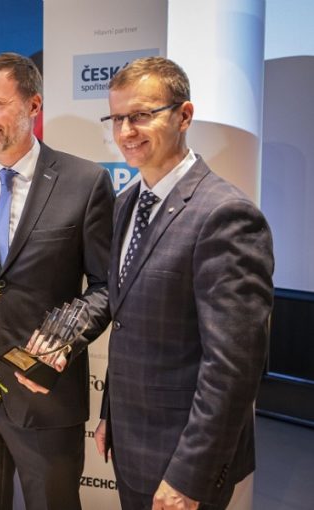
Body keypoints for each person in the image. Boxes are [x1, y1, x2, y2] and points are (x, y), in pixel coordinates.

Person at [0, 52, 114, 510]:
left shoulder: (85, 181)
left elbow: (107, 286)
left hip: (46, 397)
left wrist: (61, 341)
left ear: (34, 106)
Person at [93, 56, 274, 510]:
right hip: (131, 442)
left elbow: (233, 367)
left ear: (184, 115)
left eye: (141, 115)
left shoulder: (225, 215)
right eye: (117, 118)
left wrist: (190, 476)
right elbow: (128, 320)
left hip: (182, 460)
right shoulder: (126, 203)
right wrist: (111, 413)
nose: (126, 131)